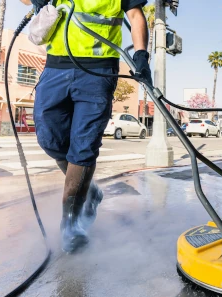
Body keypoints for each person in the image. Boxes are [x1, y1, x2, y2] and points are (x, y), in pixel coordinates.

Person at [30, 0, 152, 253]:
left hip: (98, 72)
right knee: (48, 136)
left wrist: (141, 55)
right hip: (56, 66)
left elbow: (136, 15)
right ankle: (89, 189)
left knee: (84, 144)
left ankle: (72, 225)